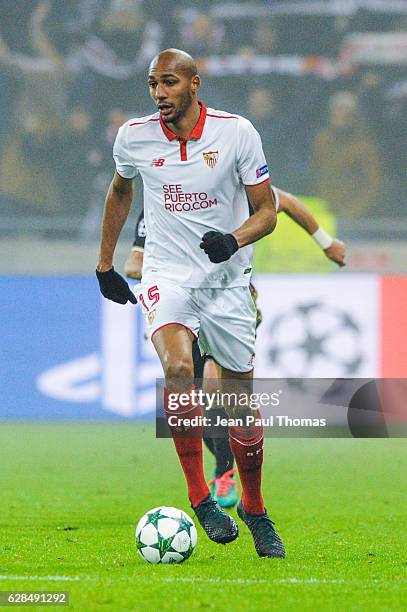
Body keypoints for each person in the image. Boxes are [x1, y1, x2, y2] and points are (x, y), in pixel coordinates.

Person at [96, 48, 282, 558]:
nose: (159, 94)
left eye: (170, 83)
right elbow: (119, 192)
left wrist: (235, 238)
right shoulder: (134, 136)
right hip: (168, 273)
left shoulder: (237, 132)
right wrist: (105, 264)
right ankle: (199, 495)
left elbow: (268, 210)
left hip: (226, 280)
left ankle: (255, 507)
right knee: (179, 368)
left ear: (195, 85)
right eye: (153, 84)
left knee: (239, 403)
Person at [124, 188, 346, 508]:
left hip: (231, 299)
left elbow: (288, 203)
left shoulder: (231, 188)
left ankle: (224, 473)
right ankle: (220, 469)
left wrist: (326, 242)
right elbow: (134, 263)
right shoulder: (160, 206)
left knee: (218, 388)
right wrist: (164, 269)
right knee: (196, 395)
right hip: (183, 303)